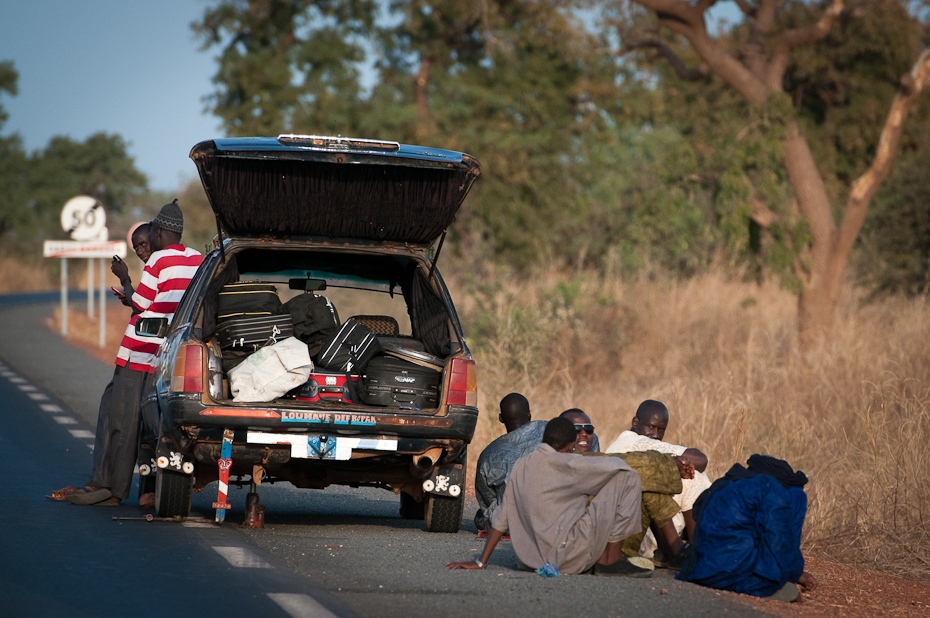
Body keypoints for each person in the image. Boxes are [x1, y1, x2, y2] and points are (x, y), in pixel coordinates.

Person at [48, 200, 203, 507]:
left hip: (140, 352)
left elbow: (141, 303)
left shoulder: (158, 261)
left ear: (159, 232)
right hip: (170, 356)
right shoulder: (197, 259)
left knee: (118, 418)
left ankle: (109, 487)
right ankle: (150, 489)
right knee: (154, 424)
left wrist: (125, 279)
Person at [447, 417, 650, 577]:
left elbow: (501, 516)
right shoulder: (570, 463)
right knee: (628, 477)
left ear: (545, 439)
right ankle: (610, 562)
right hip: (569, 558)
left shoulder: (521, 466)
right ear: (570, 445)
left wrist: (481, 561)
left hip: (530, 561)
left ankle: (602, 559)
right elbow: (621, 469)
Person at [676, 454, 817, 603]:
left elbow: (697, 514)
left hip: (697, 570)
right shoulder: (771, 489)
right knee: (775, 581)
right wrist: (793, 574)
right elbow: (777, 542)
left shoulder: (726, 483)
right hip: (731, 573)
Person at [606, 399, 712, 558]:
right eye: (651, 427)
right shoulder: (635, 442)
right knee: (693, 476)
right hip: (638, 537)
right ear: (635, 422)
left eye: (661, 430)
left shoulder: (620, 445)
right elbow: (700, 459)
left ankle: (690, 546)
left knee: (671, 473)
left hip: (628, 532)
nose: (655, 435)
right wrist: (681, 464)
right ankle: (698, 549)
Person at [473, 393, 547, 532]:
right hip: (553, 516)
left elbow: (487, 500)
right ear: (529, 415)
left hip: (513, 522)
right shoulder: (549, 430)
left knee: (481, 517)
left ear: (500, 419)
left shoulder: (488, 455)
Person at [110, 222, 151, 306]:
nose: (139, 252)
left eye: (143, 244)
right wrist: (129, 297)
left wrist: (124, 277)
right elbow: (145, 304)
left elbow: (139, 306)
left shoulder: (159, 267)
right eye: (136, 248)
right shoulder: (151, 267)